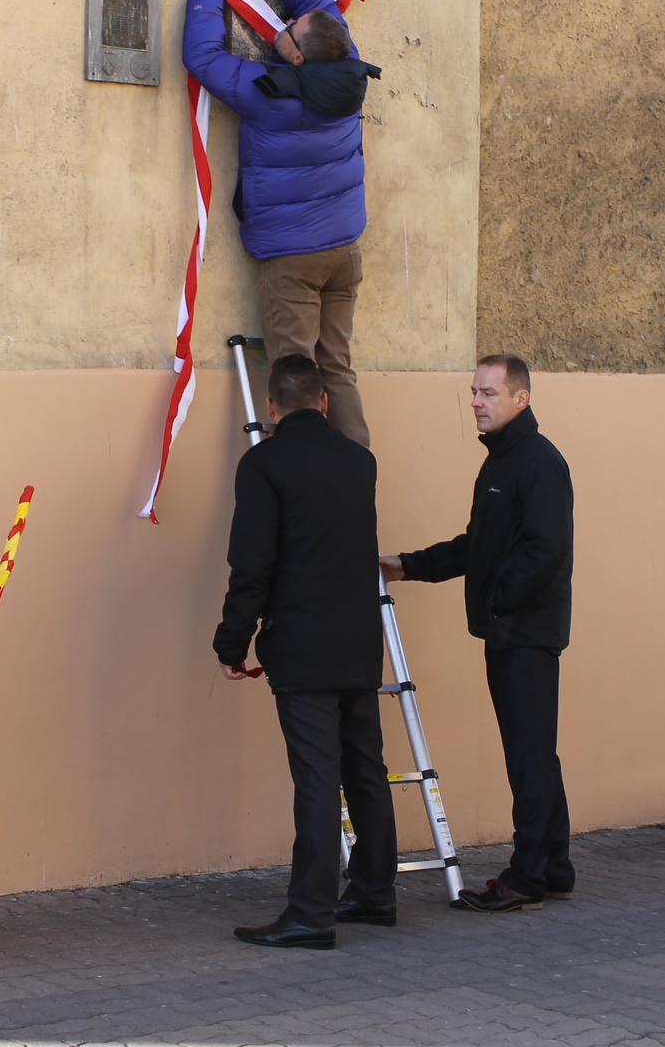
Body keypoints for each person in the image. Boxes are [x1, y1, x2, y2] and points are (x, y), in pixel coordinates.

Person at [381, 354, 576, 913]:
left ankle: (527, 878)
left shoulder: (538, 462)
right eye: (474, 392)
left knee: (529, 757)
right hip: (507, 629)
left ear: (522, 398)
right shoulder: (498, 465)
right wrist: (407, 564)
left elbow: (546, 551)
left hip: (526, 633)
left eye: (488, 394)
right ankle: (554, 867)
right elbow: (478, 546)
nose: (476, 402)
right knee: (535, 752)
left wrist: (497, 601)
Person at [216, 354, 397, 948]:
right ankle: (374, 892)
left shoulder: (263, 464)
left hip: (302, 646)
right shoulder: (359, 462)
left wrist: (232, 641)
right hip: (358, 640)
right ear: (323, 401)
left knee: (317, 779)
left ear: (271, 407)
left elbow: (252, 564)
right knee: (364, 768)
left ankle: (311, 913)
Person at [185, 0, 381, 449]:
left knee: (294, 375)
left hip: (293, 258)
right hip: (344, 252)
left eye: (288, 32)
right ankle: (355, 474)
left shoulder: (269, 95)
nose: (284, 27)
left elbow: (205, 59)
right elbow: (318, 13)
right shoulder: (351, 73)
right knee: (336, 368)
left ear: (295, 55)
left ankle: (300, 480)